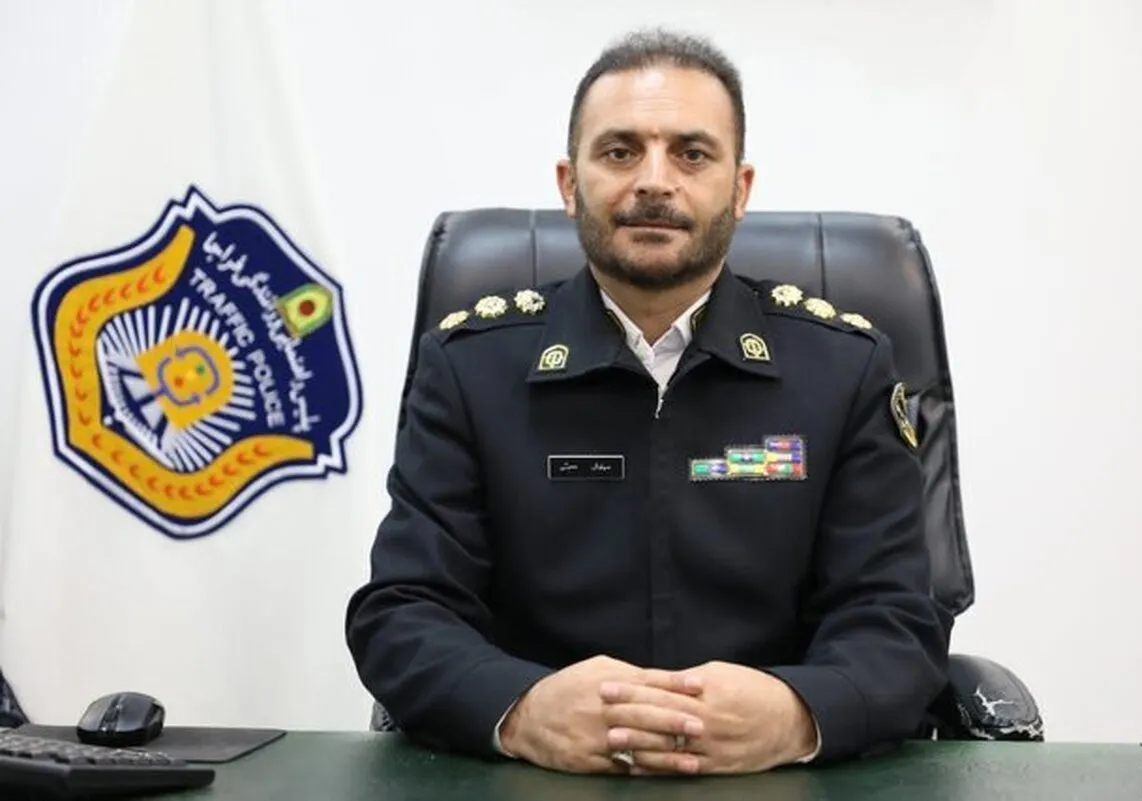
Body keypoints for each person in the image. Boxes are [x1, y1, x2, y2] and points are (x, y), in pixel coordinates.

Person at [345, 28, 950, 776]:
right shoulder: (471, 369)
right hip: (536, 779)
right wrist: (520, 708)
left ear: (740, 188)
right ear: (569, 184)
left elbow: (895, 618)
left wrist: (798, 714)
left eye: (692, 154)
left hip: (776, 780)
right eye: (619, 151)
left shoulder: (843, 370)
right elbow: (405, 611)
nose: (654, 182)